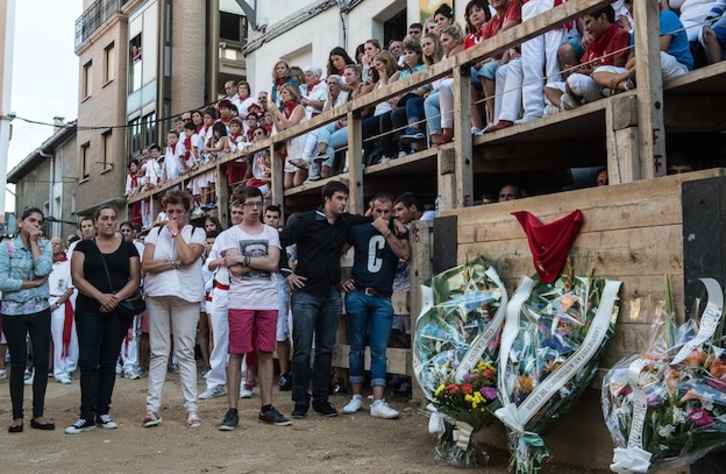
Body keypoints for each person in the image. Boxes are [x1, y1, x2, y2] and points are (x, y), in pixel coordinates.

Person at [279, 181, 371, 419]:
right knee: (301, 351)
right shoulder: (305, 220)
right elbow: (279, 241)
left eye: (345, 198)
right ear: (327, 199)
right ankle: (300, 401)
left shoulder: (345, 221)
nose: (343, 203)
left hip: (330, 293)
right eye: (339, 198)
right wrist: (287, 273)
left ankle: (321, 400)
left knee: (324, 350)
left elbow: (368, 221)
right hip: (306, 292)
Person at [218, 187, 291, 430]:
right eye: (250, 204)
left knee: (265, 353)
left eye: (258, 204)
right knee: (236, 353)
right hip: (241, 301)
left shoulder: (271, 232)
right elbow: (234, 269)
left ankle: (267, 408)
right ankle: (232, 410)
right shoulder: (230, 234)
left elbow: (273, 264)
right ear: (241, 206)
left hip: (267, 301)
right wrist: (259, 264)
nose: (255, 208)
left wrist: (244, 259)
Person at [65, 205, 141, 434]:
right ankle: (86, 415)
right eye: (104, 218)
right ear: (96, 222)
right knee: (88, 361)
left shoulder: (129, 248)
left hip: (118, 310)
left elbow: (135, 279)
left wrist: (115, 299)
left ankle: (103, 411)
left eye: (113, 218)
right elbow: (77, 277)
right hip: (89, 308)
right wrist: (100, 297)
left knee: (109, 360)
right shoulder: (83, 246)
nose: (109, 222)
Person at [341, 193, 410, 419]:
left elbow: (405, 253)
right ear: (371, 209)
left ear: (392, 212)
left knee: (380, 350)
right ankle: (356, 396)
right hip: (359, 293)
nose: (382, 216)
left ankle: (378, 401)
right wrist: (341, 280)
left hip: (383, 297)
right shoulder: (359, 230)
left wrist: (386, 231)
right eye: (378, 211)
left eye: (387, 212)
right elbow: (336, 253)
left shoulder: (398, 232)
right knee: (357, 347)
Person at [142, 190, 206, 428]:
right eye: (170, 211)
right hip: (157, 294)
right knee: (159, 351)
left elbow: (189, 257)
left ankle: (191, 409)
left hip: (187, 296)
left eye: (179, 211)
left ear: (187, 212)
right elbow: (146, 265)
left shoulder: (196, 231)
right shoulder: (154, 232)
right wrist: (172, 264)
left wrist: (176, 233)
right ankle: (152, 408)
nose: (174, 215)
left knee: (185, 352)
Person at [0, 207, 53, 433]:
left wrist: (33, 244)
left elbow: (45, 268)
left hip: (39, 308)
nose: (36, 225)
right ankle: (17, 416)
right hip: (13, 312)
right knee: (19, 362)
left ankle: (38, 414)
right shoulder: (6, 247)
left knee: (41, 361)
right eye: (32, 221)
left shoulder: (45, 245)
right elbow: (2, 281)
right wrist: (30, 283)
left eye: (40, 222)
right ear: (21, 222)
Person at [199, 200, 246, 400]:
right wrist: (222, 261)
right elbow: (209, 263)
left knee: (242, 340)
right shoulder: (223, 237)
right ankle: (216, 382)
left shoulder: (253, 236)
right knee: (219, 339)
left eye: (239, 211)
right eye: (234, 211)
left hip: (244, 292)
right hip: (221, 291)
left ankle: (244, 381)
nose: (236, 215)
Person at [263, 205, 292, 390]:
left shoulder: (286, 238)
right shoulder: (258, 235)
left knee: (282, 332)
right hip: (261, 285)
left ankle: (284, 372)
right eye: (269, 216)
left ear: (280, 220)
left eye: (275, 217)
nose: (272, 220)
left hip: (281, 286)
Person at [49, 237, 77, 385]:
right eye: (51, 244)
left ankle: (60, 371)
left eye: (56, 243)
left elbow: (70, 289)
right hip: (42, 302)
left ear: (63, 247)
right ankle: (38, 370)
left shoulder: (67, 264)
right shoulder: (44, 262)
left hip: (59, 302)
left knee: (60, 338)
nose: (54, 246)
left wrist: (57, 304)